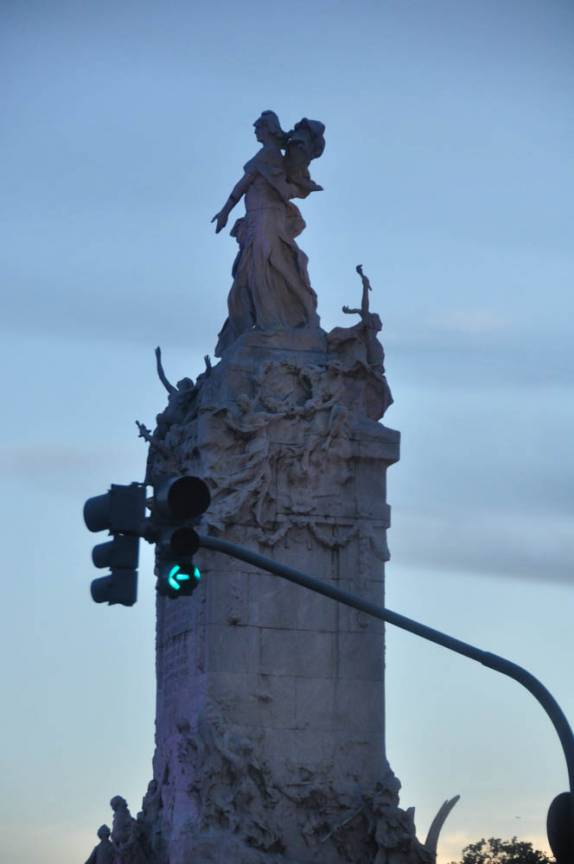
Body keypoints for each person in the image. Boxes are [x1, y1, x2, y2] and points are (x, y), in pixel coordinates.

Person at [212, 111, 325, 356]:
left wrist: (300, 188)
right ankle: (270, 321)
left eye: (258, 127)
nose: (255, 131)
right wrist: (224, 212)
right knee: (251, 272)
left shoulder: (270, 156)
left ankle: (282, 320)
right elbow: (243, 186)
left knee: (268, 266)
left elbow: (280, 188)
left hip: (267, 218)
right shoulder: (266, 156)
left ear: (268, 129)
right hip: (256, 220)